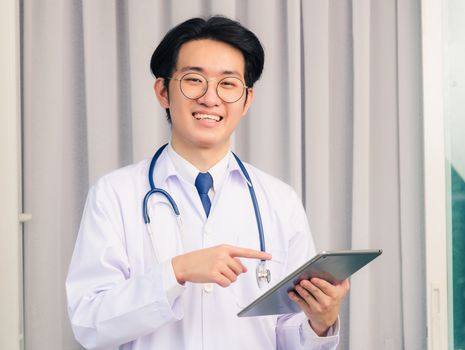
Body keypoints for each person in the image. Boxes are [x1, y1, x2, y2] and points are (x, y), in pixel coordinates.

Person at [66, 16, 349, 350]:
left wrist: (321, 321)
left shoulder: (280, 200)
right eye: (194, 79)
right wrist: (176, 271)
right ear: (162, 91)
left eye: (228, 84)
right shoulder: (115, 194)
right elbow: (90, 323)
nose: (210, 98)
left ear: (247, 100)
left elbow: (289, 334)